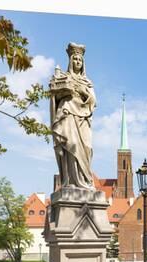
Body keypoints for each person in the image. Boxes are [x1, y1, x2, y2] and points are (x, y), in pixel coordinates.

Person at [50, 42, 97, 190]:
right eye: (75, 59)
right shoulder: (64, 77)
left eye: (80, 60)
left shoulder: (87, 81)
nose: (77, 62)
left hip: (83, 118)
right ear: (70, 61)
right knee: (71, 146)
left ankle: (84, 181)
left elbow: (93, 101)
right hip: (68, 114)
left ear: (83, 63)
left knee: (87, 148)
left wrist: (84, 92)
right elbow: (54, 98)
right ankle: (71, 181)